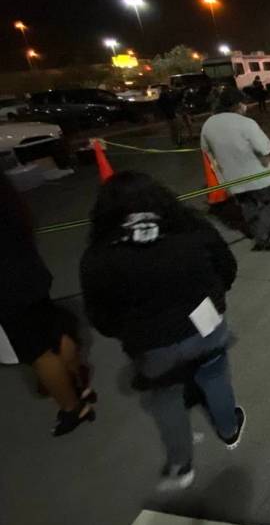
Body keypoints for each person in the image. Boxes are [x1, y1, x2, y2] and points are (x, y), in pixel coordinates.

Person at [80, 172, 244, 491]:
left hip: (152, 342)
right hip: (205, 323)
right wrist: (215, 297)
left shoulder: (100, 254)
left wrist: (130, 332)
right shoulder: (190, 227)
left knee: (167, 399)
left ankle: (181, 465)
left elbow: (100, 315)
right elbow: (227, 266)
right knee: (215, 376)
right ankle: (229, 430)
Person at [0, 173, 95, 437]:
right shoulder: (8, 197)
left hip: (7, 289)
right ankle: (78, 383)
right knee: (54, 331)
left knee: (36, 352)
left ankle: (72, 407)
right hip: (29, 271)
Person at [201, 89, 270, 251]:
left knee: (248, 206)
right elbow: (263, 147)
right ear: (238, 105)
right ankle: (262, 233)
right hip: (257, 175)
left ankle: (258, 235)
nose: (246, 106)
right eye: (244, 103)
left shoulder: (209, 124)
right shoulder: (246, 123)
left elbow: (206, 150)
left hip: (232, 177)